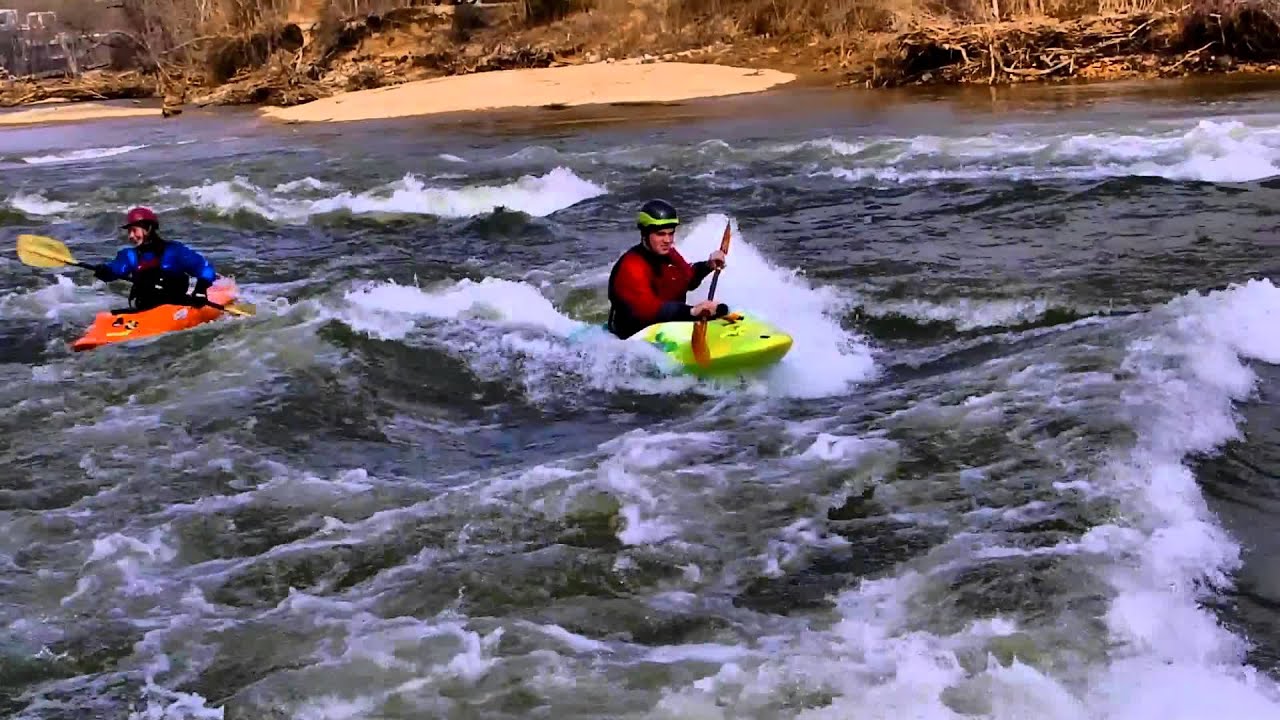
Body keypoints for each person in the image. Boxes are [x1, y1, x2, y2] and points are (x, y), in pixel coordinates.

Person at [606, 199, 729, 339]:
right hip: (635, 336)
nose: (668, 240)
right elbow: (649, 310)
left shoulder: (670, 254)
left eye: (670, 233)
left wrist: (708, 265)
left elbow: (689, 279)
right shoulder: (631, 266)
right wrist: (692, 312)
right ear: (645, 234)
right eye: (661, 234)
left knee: (722, 310)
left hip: (667, 326)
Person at [91, 207, 218, 312]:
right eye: (129, 232)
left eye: (134, 231)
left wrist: (200, 289)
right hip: (145, 310)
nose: (130, 236)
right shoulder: (130, 255)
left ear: (149, 228)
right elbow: (116, 269)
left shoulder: (174, 251)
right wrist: (106, 271)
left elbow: (205, 269)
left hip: (175, 307)